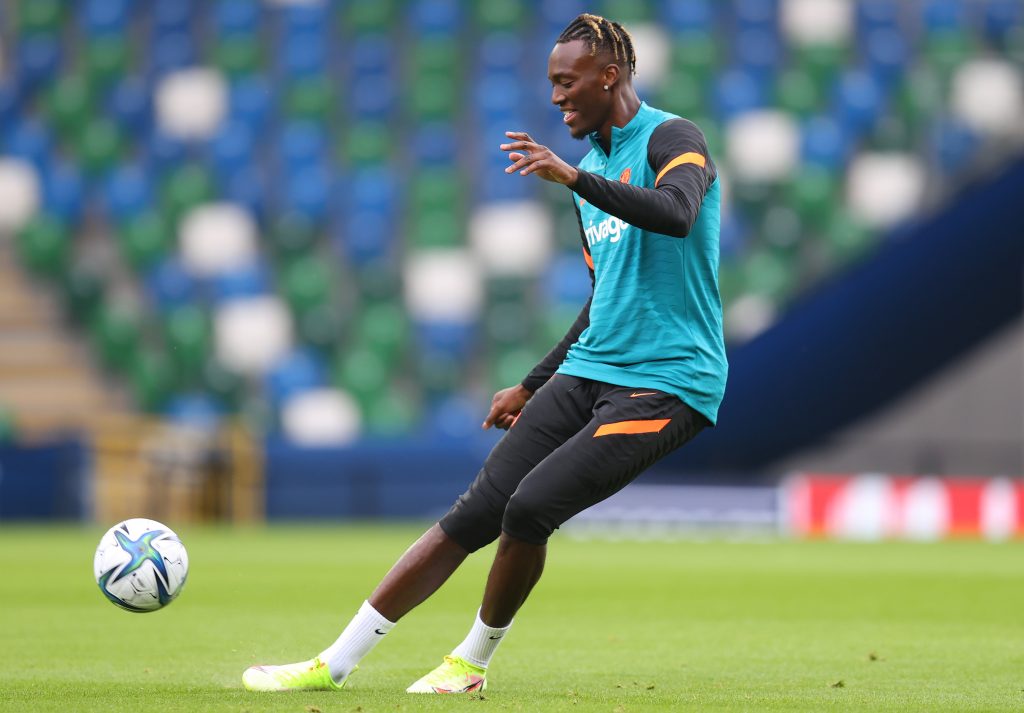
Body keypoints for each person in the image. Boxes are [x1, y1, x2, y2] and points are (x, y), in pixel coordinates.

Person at [242, 12, 727, 695]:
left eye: (567, 81)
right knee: (472, 514)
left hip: (669, 382)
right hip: (591, 369)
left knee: (529, 509)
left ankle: (469, 663)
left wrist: (571, 179)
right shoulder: (588, 168)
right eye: (552, 82)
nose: (556, 96)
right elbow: (606, 297)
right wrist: (533, 383)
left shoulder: (672, 138)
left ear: (610, 75)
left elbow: (676, 212)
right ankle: (333, 661)